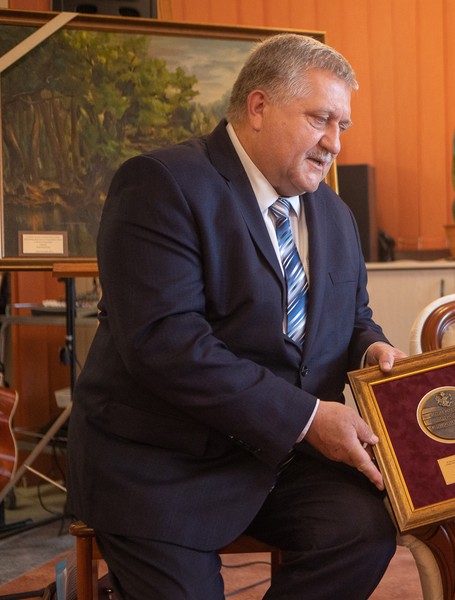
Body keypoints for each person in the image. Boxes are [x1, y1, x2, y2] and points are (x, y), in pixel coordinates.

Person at [66, 33, 406, 600]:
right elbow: (167, 345)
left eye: (342, 126)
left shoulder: (336, 213)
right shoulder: (161, 184)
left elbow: (353, 320)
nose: (334, 143)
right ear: (258, 106)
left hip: (277, 460)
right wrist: (307, 418)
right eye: (321, 118)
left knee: (366, 531)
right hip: (162, 464)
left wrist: (372, 349)